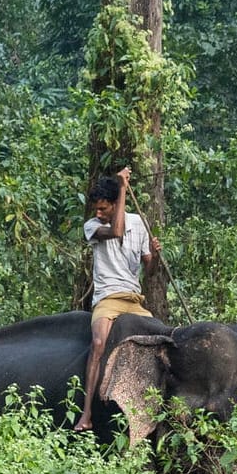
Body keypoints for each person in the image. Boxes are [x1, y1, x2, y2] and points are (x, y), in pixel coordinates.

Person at [74, 166, 160, 431]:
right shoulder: (93, 226)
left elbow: (150, 270)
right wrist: (122, 187)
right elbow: (116, 232)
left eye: (103, 209)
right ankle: (86, 414)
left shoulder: (139, 223)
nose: (98, 214)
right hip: (107, 297)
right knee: (99, 343)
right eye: (96, 210)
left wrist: (154, 255)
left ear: (114, 205)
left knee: (161, 343)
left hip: (133, 298)